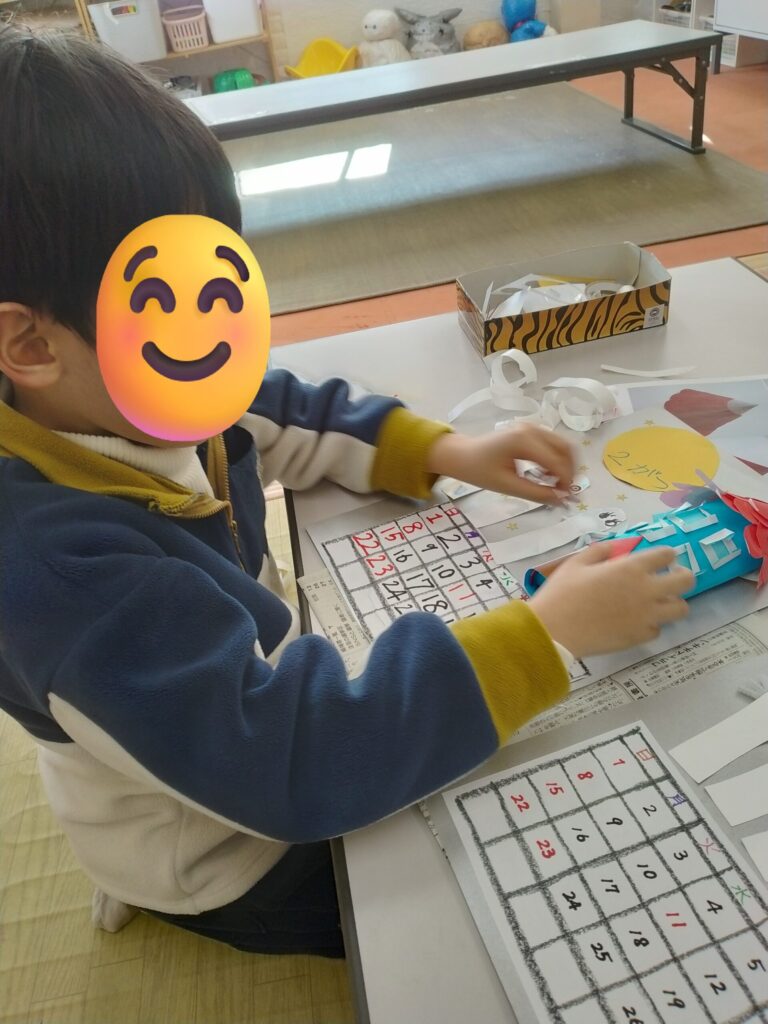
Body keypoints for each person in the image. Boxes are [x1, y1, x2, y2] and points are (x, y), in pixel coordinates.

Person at [0, 27, 693, 958]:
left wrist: (449, 449)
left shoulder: (136, 393)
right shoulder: (58, 576)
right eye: (168, 306)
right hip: (229, 855)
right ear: (30, 345)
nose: (216, 339)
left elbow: (284, 408)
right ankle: (149, 887)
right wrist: (546, 634)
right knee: (493, 907)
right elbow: (299, 762)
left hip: (214, 722)